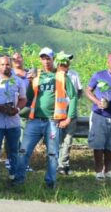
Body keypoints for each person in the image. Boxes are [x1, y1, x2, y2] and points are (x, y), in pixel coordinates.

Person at [18, 48, 78, 189]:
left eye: (48, 58)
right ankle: (18, 180)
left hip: (53, 121)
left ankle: (50, 183)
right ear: (40, 60)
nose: (45, 61)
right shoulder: (37, 77)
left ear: (53, 59)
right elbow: (29, 98)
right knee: (24, 151)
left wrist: (69, 118)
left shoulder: (62, 76)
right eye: (43, 58)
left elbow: (74, 96)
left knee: (52, 154)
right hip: (35, 120)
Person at [84, 52, 111, 180]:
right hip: (99, 114)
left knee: (110, 145)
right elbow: (88, 90)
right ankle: (98, 172)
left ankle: (107, 170)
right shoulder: (99, 75)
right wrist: (97, 102)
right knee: (98, 144)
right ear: (108, 63)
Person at [0, 55, 27, 185]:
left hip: (13, 122)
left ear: (11, 65)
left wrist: (17, 109)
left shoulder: (18, 82)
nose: (5, 67)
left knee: (13, 149)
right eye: (2, 65)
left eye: (8, 64)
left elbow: (23, 99)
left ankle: (13, 172)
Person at [56, 52, 83, 176]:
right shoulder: (54, 75)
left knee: (68, 139)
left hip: (70, 111)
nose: (67, 63)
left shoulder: (74, 74)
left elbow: (79, 92)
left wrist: (72, 105)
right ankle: (59, 164)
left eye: (68, 60)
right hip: (57, 111)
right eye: (64, 60)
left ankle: (63, 164)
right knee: (58, 138)